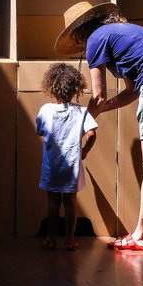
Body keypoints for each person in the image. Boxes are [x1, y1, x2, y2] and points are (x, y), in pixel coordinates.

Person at [55, 1, 143, 252]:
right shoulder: (125, 32)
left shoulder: (95, 40)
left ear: (79, 33)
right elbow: (131, 92)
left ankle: (140, 235)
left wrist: (81, 124)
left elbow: (98, 96)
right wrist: (101, 110)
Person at [36, 62, 99, 251]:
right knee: (70, 203)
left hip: (52, 166)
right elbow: (92, 134)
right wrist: (85, 150)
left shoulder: (45, 110)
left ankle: (51, 239)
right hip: (72, 167)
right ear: (75, 88)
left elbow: (40, 131)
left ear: (51, 86)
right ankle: (70, 240)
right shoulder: (81, 111)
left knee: (53, 202)